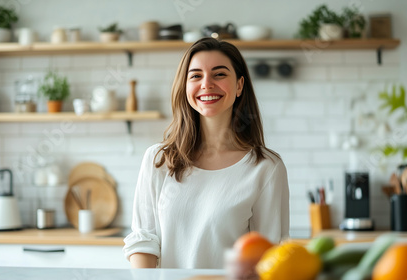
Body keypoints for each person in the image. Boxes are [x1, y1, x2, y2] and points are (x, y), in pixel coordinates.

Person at [123, 37, 290, 269]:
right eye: (196, 75)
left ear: (240, 85)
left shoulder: (266, 168)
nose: (207, 84)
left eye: (219, 74)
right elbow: (144, 241)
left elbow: (268, 259)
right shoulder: (158, 160)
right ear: (185, 85)